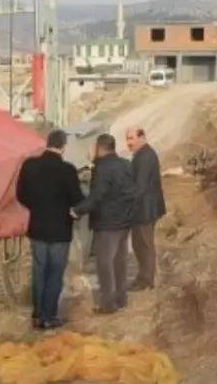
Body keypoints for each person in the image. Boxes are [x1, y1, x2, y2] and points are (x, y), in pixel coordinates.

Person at [15, 129, 84, 329]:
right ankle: (50, 316)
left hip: (37, 228)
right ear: (63, 146)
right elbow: (77, 200)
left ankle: (37, 315)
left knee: (39, 272)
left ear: (48, 143)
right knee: (55, 274)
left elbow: (20, 195)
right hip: (61, 230)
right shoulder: (68, 170)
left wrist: (36, 207)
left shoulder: (29, 165)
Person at [71, 133, 137, 314]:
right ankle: (121, 299)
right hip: (124, 222)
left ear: (100, 148)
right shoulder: (126, 165)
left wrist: (76, 211)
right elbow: (132, 191)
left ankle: (108, 304)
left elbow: (96, 197)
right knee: (119, 263)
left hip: (107, 224)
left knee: (105, 264)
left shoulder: (103, 169)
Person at [126, 127, 166, 291]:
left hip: (145, 208)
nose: (129, 143)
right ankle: (144, 277)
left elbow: (140, 186)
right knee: (139, 243)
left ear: (142, 137)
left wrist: (127, 202)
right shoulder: (143, 154)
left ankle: (146, 280)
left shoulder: (145, 156)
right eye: (127, 139)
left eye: (131, 138)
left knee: (144, 244)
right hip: (145, 207)